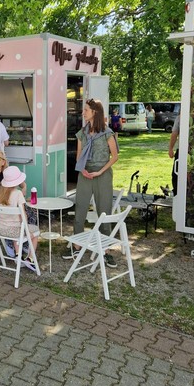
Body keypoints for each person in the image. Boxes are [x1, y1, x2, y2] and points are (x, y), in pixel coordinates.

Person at [72, 98, 119, 268]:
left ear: (95, 112)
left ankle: (106, 250)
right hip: (85, 173)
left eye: (86, 110)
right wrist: (83, 169)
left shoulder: (107, 133)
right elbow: (78, 155)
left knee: (104, 210)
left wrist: (100, 171)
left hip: (102, 174)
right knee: (80, 209)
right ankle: (76, 246)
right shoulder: (82, 133)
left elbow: (115, 156)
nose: (83, 112)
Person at [0, 166, 38, 263]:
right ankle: (30, 258)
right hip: (15, 230)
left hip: (1, 229)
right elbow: (23, 215)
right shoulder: (18, 193)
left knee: (15, 228)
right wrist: (26, 230)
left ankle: (18, 255)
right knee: (35, 231)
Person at [168, 113, 180, 195]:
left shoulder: (180, 118)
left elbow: (174, 134)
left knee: (176, 174)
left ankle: (177, 193)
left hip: (182, 151)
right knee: (176, 174)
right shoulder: (179, 118)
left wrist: (170, 149)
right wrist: (171, 148)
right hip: (182, 150)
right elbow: (174, 134)